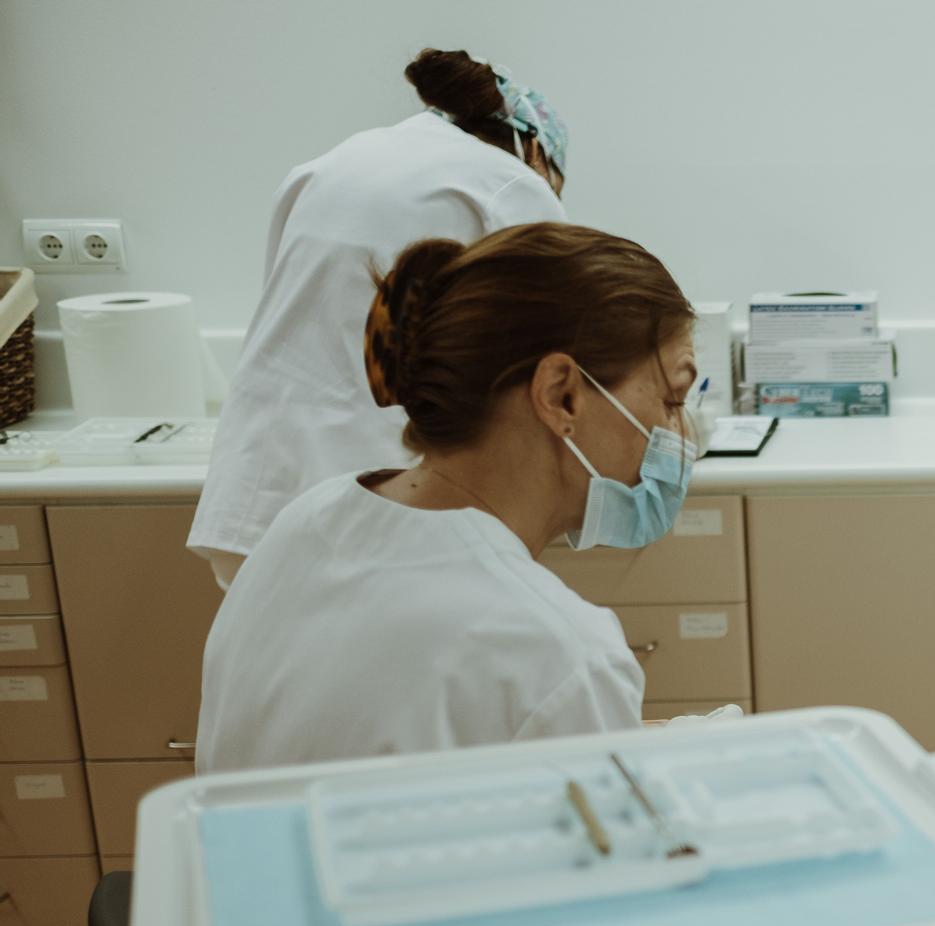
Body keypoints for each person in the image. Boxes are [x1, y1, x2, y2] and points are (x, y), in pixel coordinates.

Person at [195, 222, 701, 774]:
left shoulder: (309, 519)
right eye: (672, 398)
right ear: (563, 395)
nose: (683, 435)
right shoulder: (554, 649)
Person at [189, 48, 570, 588]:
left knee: (281, 667)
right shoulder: (510, 184)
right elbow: (555, 345)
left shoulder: (334, 162)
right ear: (534, 148)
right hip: (378, 507)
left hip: (255, 493)